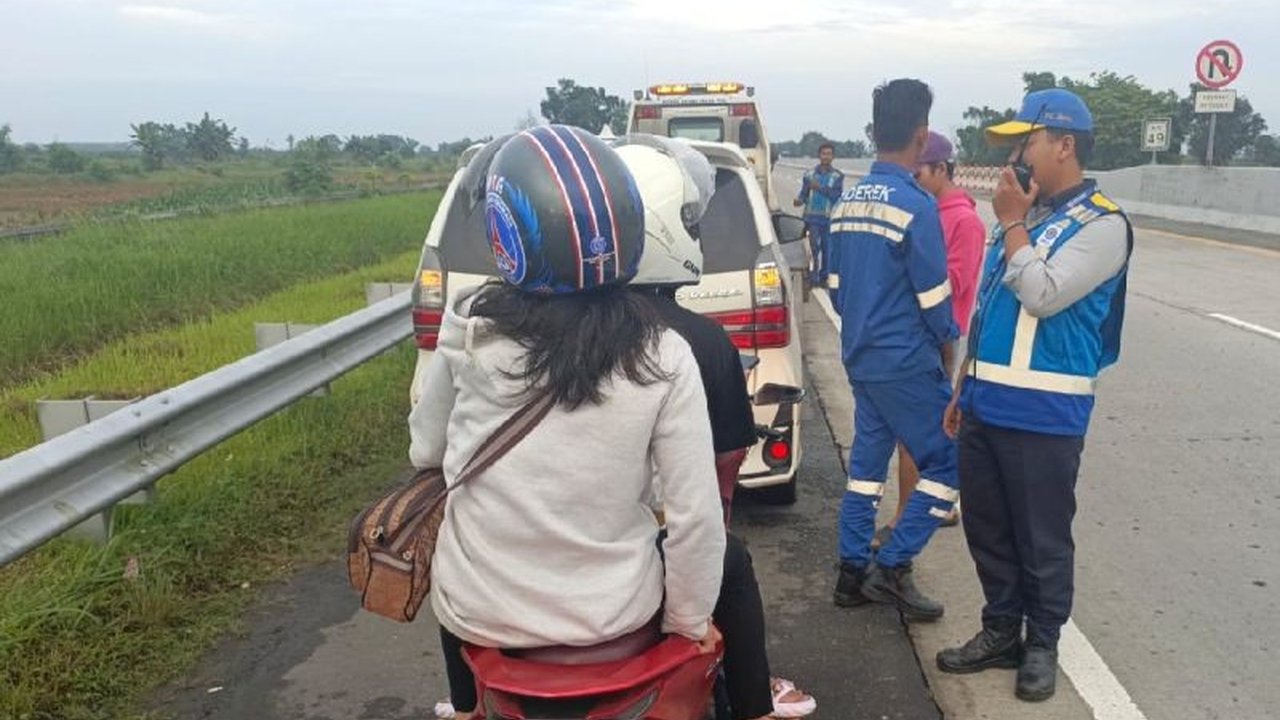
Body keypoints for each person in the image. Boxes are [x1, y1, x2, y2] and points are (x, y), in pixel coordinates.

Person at [408, 125, 776, 720]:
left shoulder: (469, 331)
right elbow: (696, 518)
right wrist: (688, 627)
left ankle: (466, 706)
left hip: (481, 615)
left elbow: (426, 452)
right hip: (617, 617)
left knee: (451, 552)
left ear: (506, 235)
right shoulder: (664, 352)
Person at [936, 88, 1132, 703]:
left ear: (1064, 145)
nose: (1018, 155)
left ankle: (1042, 641)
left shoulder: (1101, 225)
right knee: (989, 531)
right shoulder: (1031, 216)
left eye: (1027, 142)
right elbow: (991, 305)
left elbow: (1043, 294)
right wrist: (963, 381)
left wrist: (1013, 222)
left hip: (1046, 415)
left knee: (1042, 538)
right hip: (987, 404)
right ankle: (1000, 629)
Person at [616, 134, 816, 718]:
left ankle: (466, 698)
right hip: (636, 551)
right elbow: (721, 475)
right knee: (727, 558)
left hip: (508, 576)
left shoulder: (521, 336)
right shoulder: (693, 342)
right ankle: (754, 701)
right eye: (690, 222)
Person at [826, 79, 960, 622]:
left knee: (866, 470)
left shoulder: (844, 200)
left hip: (860, 357)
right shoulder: (916, 205)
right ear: (921, 134)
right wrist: (947, 347)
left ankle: (850, 574)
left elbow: (834, 285)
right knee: (948, 461)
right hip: (905, 362)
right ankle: (894, 566)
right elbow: (934, 300)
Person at [873, 132, 986, 548]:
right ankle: (934, 505)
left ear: (941, 169)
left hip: (937, 334)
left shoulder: (964, 221)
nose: (914, 178)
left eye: (919, 171)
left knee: (916, 433)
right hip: (919, 333)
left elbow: (955, 285)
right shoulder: (932, 211)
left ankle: (906, 515)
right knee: (920, 428)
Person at [792, 142, 844, 287]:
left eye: (829, 154)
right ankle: (812, 277)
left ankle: (824, 277)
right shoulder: (809, 175)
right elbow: (803, 194)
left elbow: (836, 196)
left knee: (828, 249)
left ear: (833, 157)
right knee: (813, 249)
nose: (826, 157)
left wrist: (820, 188)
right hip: (811, 218)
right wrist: (799, 201)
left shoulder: (837, 176)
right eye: (823, 154)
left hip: (828, 219)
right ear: (819, 155)